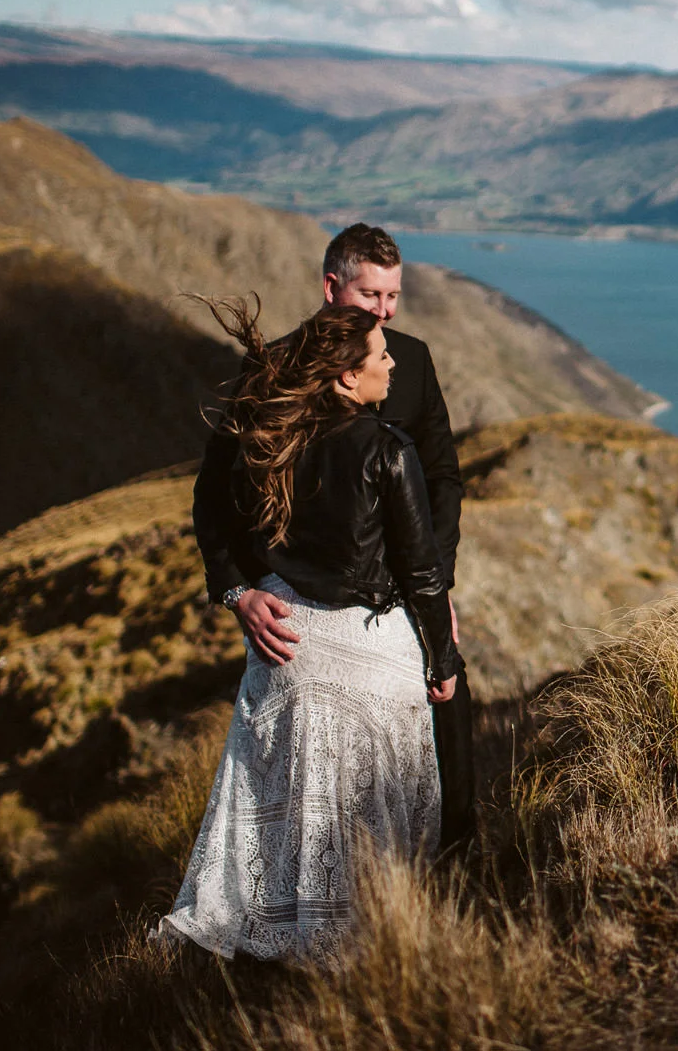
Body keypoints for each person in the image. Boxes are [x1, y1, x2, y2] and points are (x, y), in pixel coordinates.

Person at [162, 302, 463, 960]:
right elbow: (423, 574)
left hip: (282, 647)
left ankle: (264, 931)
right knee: (374, 808)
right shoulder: (389, 448)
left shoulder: (273, 438)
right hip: (367, 649)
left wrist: (239, 592)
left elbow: (221, 515)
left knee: (287, 813)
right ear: (347, 379)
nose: (391, 363)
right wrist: (443, 661)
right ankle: (362, 941)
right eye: (379, 354)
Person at [193, 224, 476, 856]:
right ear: (331, 286)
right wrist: (237, 590)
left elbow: (443, 480)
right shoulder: (268, 371)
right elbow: (214, 495)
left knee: (449, 732)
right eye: (371, 294)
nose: (385, 311)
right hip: (307, 617)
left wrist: (440, 583)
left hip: (407, 599)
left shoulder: (411, 359)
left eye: (394, 295)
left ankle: (452, 874)